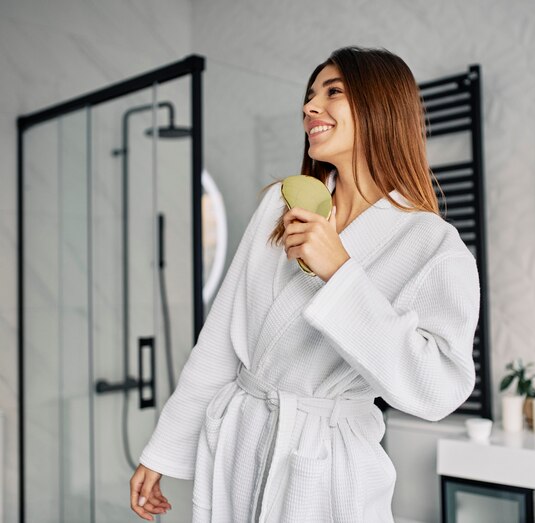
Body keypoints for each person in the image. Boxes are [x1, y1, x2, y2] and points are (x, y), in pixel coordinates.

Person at [130, 46, 480, 523]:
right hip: (240, 445)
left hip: (330, 467)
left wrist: (341, 273)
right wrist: (164, 448)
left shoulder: (430, 244)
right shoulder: (281, 204)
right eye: (310, 94)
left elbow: (439, 388)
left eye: (332, 92)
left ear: (381, 106)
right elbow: (220, 340)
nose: (309, 107)